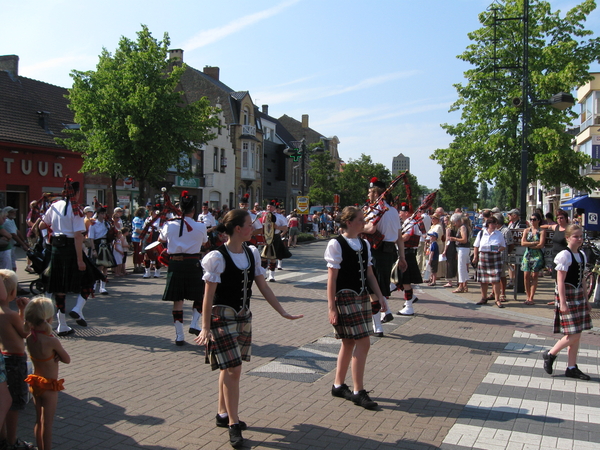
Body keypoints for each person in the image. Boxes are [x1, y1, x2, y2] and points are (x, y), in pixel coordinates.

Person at [195, 209, 303, 448]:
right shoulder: (217, 257)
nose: (254, 227)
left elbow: (263, 287)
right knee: (233, 368)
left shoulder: (251, 252)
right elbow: (208, 296)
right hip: (221, 318)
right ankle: (234, 424)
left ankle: (222, 414)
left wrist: (282, 311)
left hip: (243, 316)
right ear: (237, 229)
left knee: (231, 367)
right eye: (249, 224)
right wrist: (204, 327)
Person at [325, 206, 384, 410]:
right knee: (363, 342)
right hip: (345, 296)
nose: (363, 222)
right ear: (349, 222)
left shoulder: (364, 243)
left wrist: (380, 296)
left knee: (349, 342)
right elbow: (331, 279)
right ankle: (358, 391)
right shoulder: (336, 243)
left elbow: (369, 273)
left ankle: (338, 385)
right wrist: (331, 307)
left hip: (361, 296)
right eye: (360, 219)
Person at [39, 179, 104, 334]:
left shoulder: (54, 206)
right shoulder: (77, 210)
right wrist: (80, 260)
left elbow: (42, 224)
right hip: (70, 248)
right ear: (76, 192)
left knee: (59, 287)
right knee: (90, 278)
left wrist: (49, 235)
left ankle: (62, 325)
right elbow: (77, 236)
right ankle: (77, 309)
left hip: (56, 248)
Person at [543, 224, 592, 380]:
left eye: (581, 236)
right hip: (567, 295)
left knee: (576, 334)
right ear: (568, 238)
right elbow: (560, 281)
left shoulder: (582, 254)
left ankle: (571, 367)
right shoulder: (565, 254)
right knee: (574, 333)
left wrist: (586, 299)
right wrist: (562, 302)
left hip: (578, 295)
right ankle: (550, 354)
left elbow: (583, 279)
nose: (579, 239)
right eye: (576, 236)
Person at [158, 191, 208, 345]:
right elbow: (205, 243)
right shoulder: (200, 226)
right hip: (193, 263)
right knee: (200, 295)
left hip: (175, 264)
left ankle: (179, 336)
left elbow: (161, 239)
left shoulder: (170, 224)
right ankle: (194, 323)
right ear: (194, 210)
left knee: (177, 300)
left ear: (179, 207)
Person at [23, 297, 71, 450]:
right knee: (48, 424)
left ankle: (39, 447)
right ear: (49, 318)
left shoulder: (31, 338)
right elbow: (67, 359)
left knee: (38, 421)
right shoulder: (51, 341)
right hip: (49, 386)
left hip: (35, 382)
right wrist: (57, 354)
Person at [0, 270, 35, 450]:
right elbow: (24, 332)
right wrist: (25, 311)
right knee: (15, 402)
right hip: (16, 360)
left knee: (5, 401)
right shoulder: (10, 314)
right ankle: (12, 441)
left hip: (4, 358)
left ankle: (4, 437)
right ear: (12, 292)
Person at [473, 217, 506, 308]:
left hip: (495, 257)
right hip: (483, 257)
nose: (495, 226)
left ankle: (497, 300)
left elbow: (503, 246)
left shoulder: (499, 234)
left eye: (496, 224)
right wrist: (475, 256)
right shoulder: (482, 233)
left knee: (496, 280)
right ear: (488, 224)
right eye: (493, 224)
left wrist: (499, 249)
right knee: (483, 281)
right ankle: (483, 298)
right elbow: (476, 246)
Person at [396, 202, 420, 316]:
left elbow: (406, 237)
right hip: (405, 253)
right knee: (401, 280)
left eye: (401, 212)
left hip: (408, 253)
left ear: (405, 212)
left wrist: (394, 238)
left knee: (405, 281)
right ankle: (411, 298)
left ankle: (409, 306)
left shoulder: (411, 223)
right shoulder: (407, 222)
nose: (399, 214)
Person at [542, 209, 570, 305]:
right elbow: (548, 226)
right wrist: (536, 226)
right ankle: (556, 298)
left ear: (566, 219)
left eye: (561, 218)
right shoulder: (556, 227)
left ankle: (565, 299)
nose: (559, 220)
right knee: (556, 278)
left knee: (565, 279)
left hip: (566, 256)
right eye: (558, 218)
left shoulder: (569, 229)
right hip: (555, 256)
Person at [521, 212, 546, 305]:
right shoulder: (527, 230)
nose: (532, 221)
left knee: (534, 276)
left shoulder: (542, 231)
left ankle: (531, 297)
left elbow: (541, 244)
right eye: (531, 219)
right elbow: (523, 243)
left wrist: (532, 244)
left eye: (534, 219)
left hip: (537, 255)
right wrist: (533, 243)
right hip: (527, 254)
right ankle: (527, 296)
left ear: (538, 220)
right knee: (526, 275)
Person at [88, 207, 114, 294]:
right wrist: (93, 249)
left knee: (105, 266)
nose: (103, 215)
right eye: (101, 214)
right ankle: (94, 286)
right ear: (98, 214)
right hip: (97, 244)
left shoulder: (106, 223)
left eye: (104, 214)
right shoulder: (93, 224)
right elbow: (91, 238)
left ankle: (103, 288)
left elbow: (111, 233)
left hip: (106, 244)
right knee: (98, 266)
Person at [448, 214, 470, 293]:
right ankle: (464, 285)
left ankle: (461, 286)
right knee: (463, 267)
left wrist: (454, 238)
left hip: (463, 248)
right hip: (462, 249)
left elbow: (464, 240)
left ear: (458, 221)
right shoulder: (463, 227)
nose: (454, 224)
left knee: (461, 268)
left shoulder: (462, 227)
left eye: (454, 222)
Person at [495, 213, 515, 302]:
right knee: (494, 276)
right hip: (493, 256)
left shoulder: (506, 231)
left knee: (502, 276)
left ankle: (503, 293)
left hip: (502, 256)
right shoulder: (493, 230)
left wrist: (506, 254)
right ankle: (494, 293)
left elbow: (510, 245)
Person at [442, 215, 457, 288]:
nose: (444, 222)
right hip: (455, 246)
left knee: (449, 263)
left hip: (450, 247)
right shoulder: (455, 228)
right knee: (454, 263)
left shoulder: (448, 229)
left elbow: (447, 240)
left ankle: (449, 281)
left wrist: (445, 250)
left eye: (445, 220)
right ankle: (457, 280)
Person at [130, 207, 146, 274]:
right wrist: (145, 233)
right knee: (136, 253)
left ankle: (140, 265)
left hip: (141, 239)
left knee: (140, 253)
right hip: (136, 238)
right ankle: (136, 266)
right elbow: (137, 229)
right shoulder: (137, 219)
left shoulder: (141, 219)